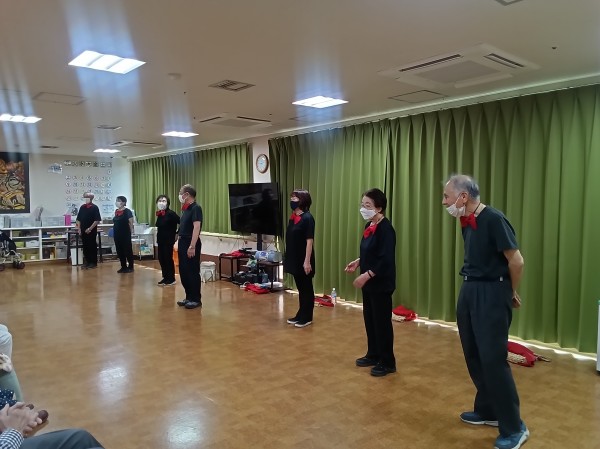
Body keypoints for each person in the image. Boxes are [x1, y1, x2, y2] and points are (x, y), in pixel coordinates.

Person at [442, 174, 528, 449]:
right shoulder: (466, 221)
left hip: (492, 291)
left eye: (446, 196)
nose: (444, 202)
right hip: (470, 288)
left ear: (463, 196)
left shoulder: (494, 219)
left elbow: (516, 261)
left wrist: (509, 291)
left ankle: (514, 427)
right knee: (474, 354)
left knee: (493, 359)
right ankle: (488, 409)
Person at [344, 188, 396, 377]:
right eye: (362, 204)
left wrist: (367, 275)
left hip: (381, 283)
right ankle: (373, 354)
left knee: (382, 323)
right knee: (370, 320)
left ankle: (387, 362)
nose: (363, 209)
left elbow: (385, 259)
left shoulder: (386, 229)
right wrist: (358, 261)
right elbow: (370, 251)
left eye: (368, 205)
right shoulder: (369, 226)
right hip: (369, 284)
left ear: (379, 208)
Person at [284, 189, 316, 328]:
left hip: (304, 259)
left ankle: (307, 316)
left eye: (295, 198)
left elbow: (309, 241)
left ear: (303, 201)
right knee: (300, 289)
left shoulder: (308, 218)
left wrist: (307, 261)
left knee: (306, 288)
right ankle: (301, 313)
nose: (292, 201)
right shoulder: (293, 218)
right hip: (294, 258)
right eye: (291, 198)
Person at [175, 185, 203, 309]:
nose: (179, 195)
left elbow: (196, 227)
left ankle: (196, 299)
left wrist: (192, 246)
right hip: (183, 242)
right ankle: (188, 297)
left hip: (190, 242)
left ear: (186, 194)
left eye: (181, 192)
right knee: (184, 271)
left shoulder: (196, 208)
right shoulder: (185, 209)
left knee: (192, 271)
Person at [155, 195, 180, 286]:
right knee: (161, 258)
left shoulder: (171, 213)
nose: (161, 202)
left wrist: (177, 233)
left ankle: (171, 278)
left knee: (167, 258)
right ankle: (165, 277)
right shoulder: (160, 214)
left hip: (168, 239)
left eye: (164, 201)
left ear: (168, 203)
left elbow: (181, 222)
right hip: (160, 239)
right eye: (160, 200)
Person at [75, 193, 101, 269]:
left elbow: (97, 220)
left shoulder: (94, 207)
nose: (85, 198)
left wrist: (90, 228)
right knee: (85, 246)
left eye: (86, 197)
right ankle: (87, 262)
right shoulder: (82, 207)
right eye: (84, 197)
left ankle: (93, 263)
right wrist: (79, 229)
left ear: (91, 198)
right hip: (83, 231)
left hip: (91, 231)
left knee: (92, 246)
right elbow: (78, 219)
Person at [112, 196, 134, 273]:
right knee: (119, 250)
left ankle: (130, 267)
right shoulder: (116, 211)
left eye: (119, 200)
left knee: (127, 250)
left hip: (125, 234)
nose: (117, 202)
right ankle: (123, 266)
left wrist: (131, 232)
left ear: (124, 202)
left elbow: (131, 222)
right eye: (116, 200)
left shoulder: (127, 211)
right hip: (117, 234)